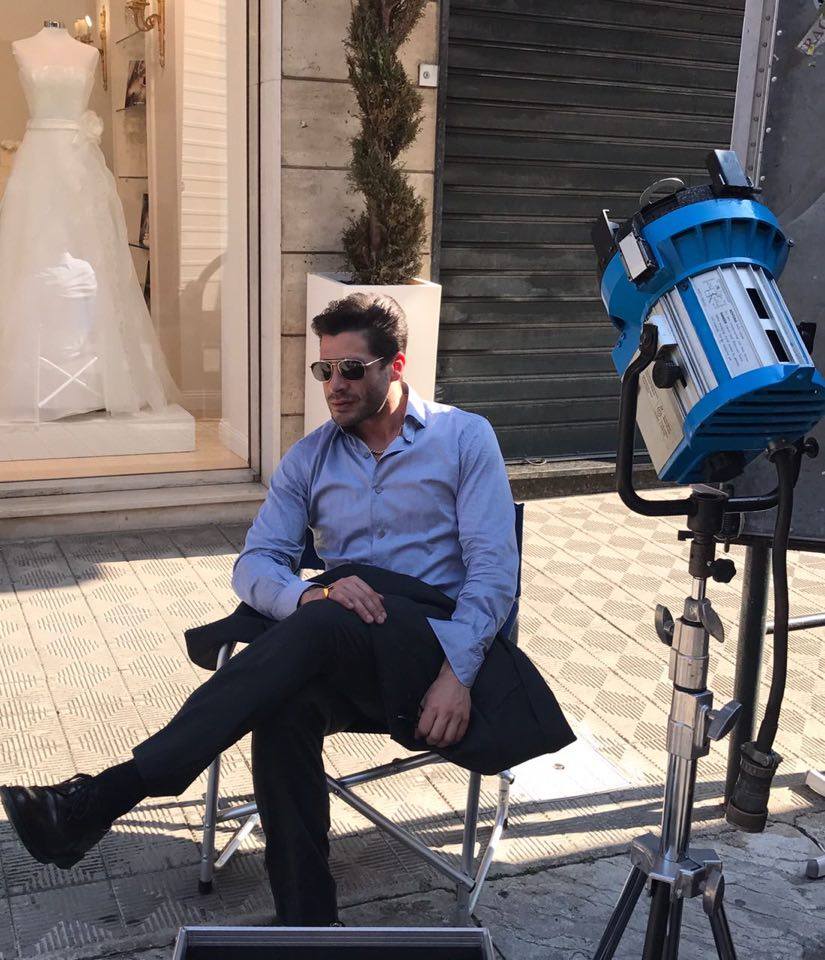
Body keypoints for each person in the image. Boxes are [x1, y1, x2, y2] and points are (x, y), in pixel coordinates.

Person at [1, 293, 573, 926]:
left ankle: (104, 797)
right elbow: (254, 564)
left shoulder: (463, 438)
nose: (334, 385)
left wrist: (456, 674)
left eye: (351, 368)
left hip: (431, 648)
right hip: (345, 654)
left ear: (395, 365)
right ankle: (309, 925)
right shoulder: (309, 458)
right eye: (324, 369)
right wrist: (307, 592)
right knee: (286, 698)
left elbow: (494, 570)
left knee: (327, 614)